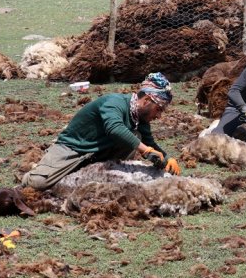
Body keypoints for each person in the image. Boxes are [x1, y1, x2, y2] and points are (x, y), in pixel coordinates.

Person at [21, 73, 180, 190]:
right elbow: (114, 129)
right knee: (37, 184)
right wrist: (145, 151)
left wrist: (166, 159)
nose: (159, 116)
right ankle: (38, 170)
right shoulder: (114, 102)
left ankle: (100, 173)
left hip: (99, 154)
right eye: (158, 109)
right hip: (73, 148)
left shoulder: (140, 117)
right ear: (146, 100)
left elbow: (148, 142)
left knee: (137, 137)